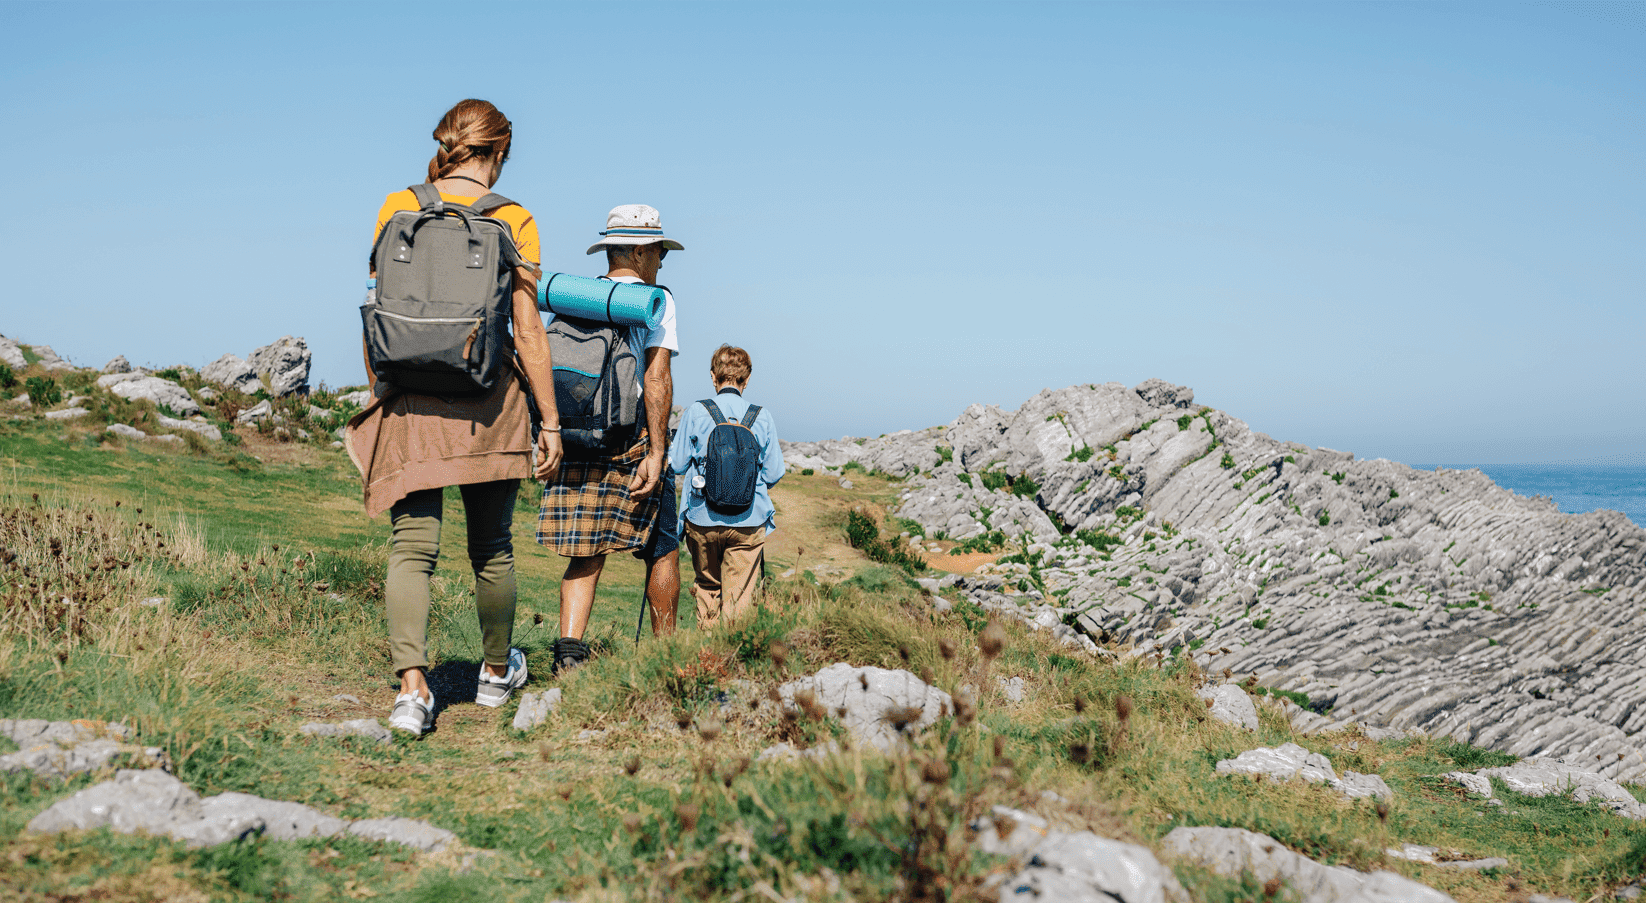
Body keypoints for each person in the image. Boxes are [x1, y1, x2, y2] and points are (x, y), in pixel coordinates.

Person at [347, 99, 563, 735]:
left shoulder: (397, 206)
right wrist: (550, 422)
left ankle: (412, 691)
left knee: (412, 547)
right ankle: (494, 674)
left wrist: (383, 393)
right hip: (488, 403)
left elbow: (376, 309)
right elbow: (527, 328)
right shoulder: (514, 218)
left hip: (411, 397)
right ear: (498, 151)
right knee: (491, 545)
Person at [536, 205, 682, 672]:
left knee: (586, 549)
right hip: (628, 439)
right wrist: (657, 451)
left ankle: (569, 654)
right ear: (640, 253)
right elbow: (656, 377)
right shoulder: (655, 301)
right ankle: (664, 656)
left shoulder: (576, 300)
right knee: (662, 547)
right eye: (659, 251)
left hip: (575, 435)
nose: (661, 261)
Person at [669, 345, 785, 627]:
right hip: (749, 520)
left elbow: (678, 464)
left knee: (707, 588)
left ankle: (708, 649)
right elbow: (773, 473)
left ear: (713, 376)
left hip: (702, 517)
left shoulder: (697, 412)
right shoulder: (762, 416)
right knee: (739, 599)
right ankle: (732, 649)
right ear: (747, 379)